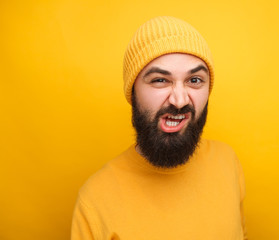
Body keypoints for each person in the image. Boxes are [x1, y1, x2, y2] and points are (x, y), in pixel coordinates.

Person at [71, 16, 247, 240]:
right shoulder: (94, 201)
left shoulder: (227, 162)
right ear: (133, 92)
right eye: (160, 80)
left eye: (194, 80)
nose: (180, 100)